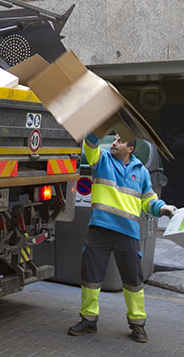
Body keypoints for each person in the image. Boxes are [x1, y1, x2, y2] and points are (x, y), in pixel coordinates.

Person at [67, 132, 177, 343]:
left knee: (133, 280)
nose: (114, 143)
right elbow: (90, 144)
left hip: (127, 233)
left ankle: (137, 325)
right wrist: (98, 129)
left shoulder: (142, 172)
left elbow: (149, 200)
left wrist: (163, 208)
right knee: (91, 277)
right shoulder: (101, 160)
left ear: (131, 149)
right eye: (114, 139)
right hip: (100, 229)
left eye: (119, 141)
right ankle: (88, 321)